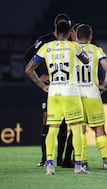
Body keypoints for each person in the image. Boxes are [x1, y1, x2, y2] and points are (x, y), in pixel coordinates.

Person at [25, 21, 90, 175]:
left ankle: (49, 165)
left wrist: (42, 85)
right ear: (69, 33)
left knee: (52, 129)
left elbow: (28, 69)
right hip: (70, 93)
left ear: (55, 31)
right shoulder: (73, 46)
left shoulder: (46, 47)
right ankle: (78, 166)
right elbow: (86, 60)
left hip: (53, 93)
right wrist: (74, 41)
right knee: (76, 128)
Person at [24, 13, 74, 168]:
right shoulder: (45, 41)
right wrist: (41, 76)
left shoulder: (72, 42)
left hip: (67, 88)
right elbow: (28, 57)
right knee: (48, 122)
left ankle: (60, 159)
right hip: (51, 88)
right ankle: (45, 158)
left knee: (65, 124)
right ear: (57, 27)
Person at [75, 24, 107, 170]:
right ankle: (106, 161)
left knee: (80, 130)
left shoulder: (71, 50)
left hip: (75, 95)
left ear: (76, 36)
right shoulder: (96, 50)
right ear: (90, 37)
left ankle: (83, 163)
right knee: (99, 128)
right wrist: (105, 85)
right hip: (92, 93)